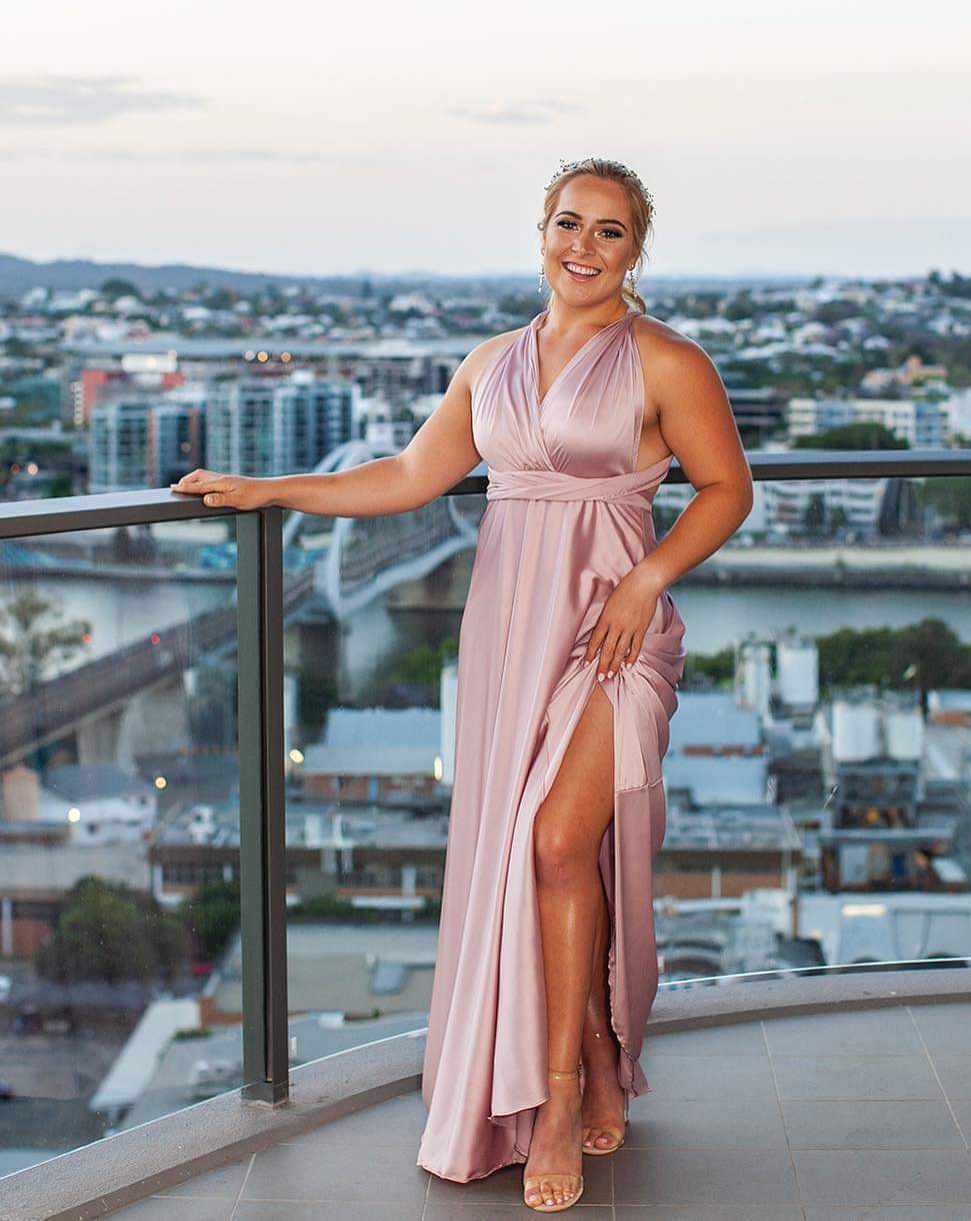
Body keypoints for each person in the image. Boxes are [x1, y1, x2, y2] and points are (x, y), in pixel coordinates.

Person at [170, 157, 753, 1212]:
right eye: (568, 223)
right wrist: (269, 489)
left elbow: (727, 488)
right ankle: (593, 1051)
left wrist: (647, 580)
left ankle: (559, 1100)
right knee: (532, 855)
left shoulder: (668, 361)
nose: (584, 246)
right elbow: (407, 476)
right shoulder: (490, 363)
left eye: (609, 231)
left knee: (560, 844)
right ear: (541, 231)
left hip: (613, 632)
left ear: (635, 249)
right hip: (507, 637)